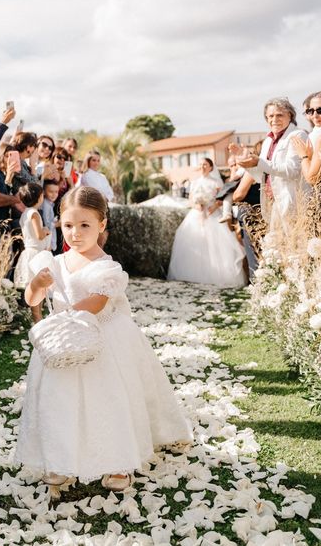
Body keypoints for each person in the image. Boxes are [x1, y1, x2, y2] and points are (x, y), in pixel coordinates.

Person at [16, 187, 193, 490]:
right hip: (62, 345)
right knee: (60, 402)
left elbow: (97, 303)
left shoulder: (106, 267)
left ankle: (118, 461)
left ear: (101, 225)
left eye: (85, 225)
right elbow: (32, 298)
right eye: (69, 225)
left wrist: (65, 317)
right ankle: (60, 460)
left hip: (103, 339)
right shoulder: (53, 263)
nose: (75, 233)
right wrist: (37, 283)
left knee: (108, 400)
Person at [167, 158, 246, 288]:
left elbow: (222, 198)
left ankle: (218, 275)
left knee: (216, 244)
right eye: (201, 164)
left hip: (212, 213)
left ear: (211, 167)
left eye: (205, 165)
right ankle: (191, 275)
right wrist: (197, 205)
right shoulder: (194, 182)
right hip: (196, 214)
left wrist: (213, 207)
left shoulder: (216, 182)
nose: (203, 167)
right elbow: (191, 199)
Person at [233, 97, 308, 229]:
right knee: (273, 247)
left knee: (292, 247)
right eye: (270, 116)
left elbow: (292, 170)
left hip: (292, 202)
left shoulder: (298, 135)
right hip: (272, 203)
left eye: (279, 115)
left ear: (290, 115)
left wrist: (259, 162)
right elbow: (261, 175)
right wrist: (248, 165)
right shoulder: (268, 140)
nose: (274, 119)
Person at [13, 182, 51, 322]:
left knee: (35, 286)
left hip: (29, 251)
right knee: (38, 286)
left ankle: (37, 316)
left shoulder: (25, 213)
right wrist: (46, 231)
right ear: (39, 197)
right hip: (36, 253)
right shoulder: (34, 214)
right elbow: (39, 235)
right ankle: (37, 317)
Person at [291, 90, 321, 186]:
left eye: (320, 110)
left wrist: (304, 156)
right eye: (310, 111)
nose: (314, 115)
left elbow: (312, 178)